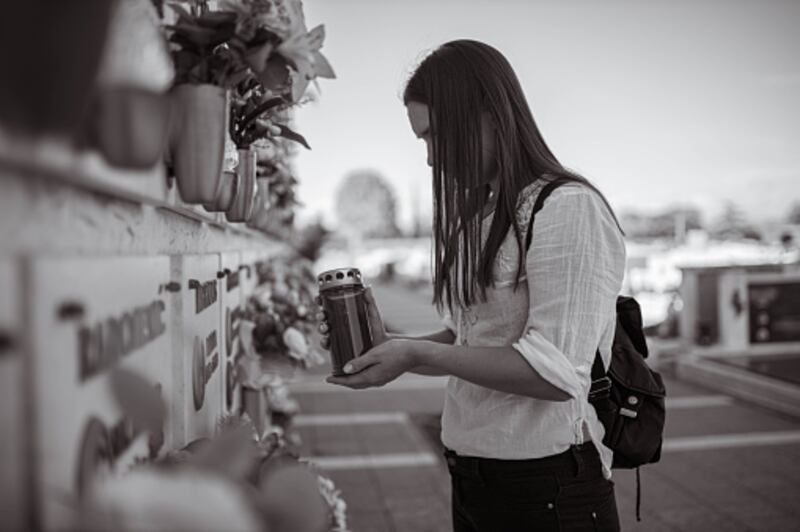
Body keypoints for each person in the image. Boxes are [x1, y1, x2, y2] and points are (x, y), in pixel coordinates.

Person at [316, 39, 626, 532]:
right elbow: (471, 340)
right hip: (477, 475)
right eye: (422, 141)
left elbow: (555, 374)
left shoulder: (567, 208)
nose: (431, 159)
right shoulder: (480, 216)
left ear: (488, 113)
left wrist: (416, 357)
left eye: (435, 135)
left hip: (549, 486)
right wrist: (390, 347)